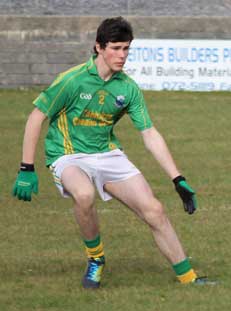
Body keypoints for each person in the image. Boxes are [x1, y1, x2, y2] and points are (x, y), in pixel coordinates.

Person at [12, 16, 215, 288]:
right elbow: (36, 117)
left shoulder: (127, 88)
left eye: (126, 49)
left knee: (154, 210)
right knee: (84, 195)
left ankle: (189, 279)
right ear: (99, 47)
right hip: (68, 155)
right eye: (116, 48)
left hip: (107, 155)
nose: (122, 55)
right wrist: (26, 168)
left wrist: (177, 178)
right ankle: (96, 260)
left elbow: (150, 134)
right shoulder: (72, 80)